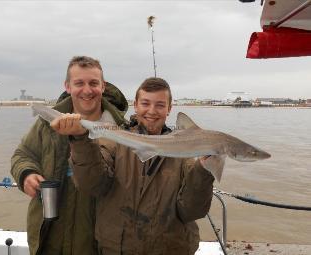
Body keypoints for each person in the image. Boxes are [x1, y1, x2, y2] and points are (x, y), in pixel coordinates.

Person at [52, 77, 216, 255]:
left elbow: (191, 212)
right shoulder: (113, 143)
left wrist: (204, 170)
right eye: (145, 103)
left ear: (169, 109)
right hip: (116, 249)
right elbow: (92, 185)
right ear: (135, 105)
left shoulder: (185, 156)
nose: (152, 111)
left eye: (160, 105)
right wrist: (80, 140)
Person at [11, 56, 128, 255]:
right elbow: (22, 154)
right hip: (48, 237)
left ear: (103, 86)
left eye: (93, 83)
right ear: (67, 86)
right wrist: (26, 174)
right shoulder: (48, 121)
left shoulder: (122, 130)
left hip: (97, 241)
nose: (87, 90)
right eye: (79, 83)